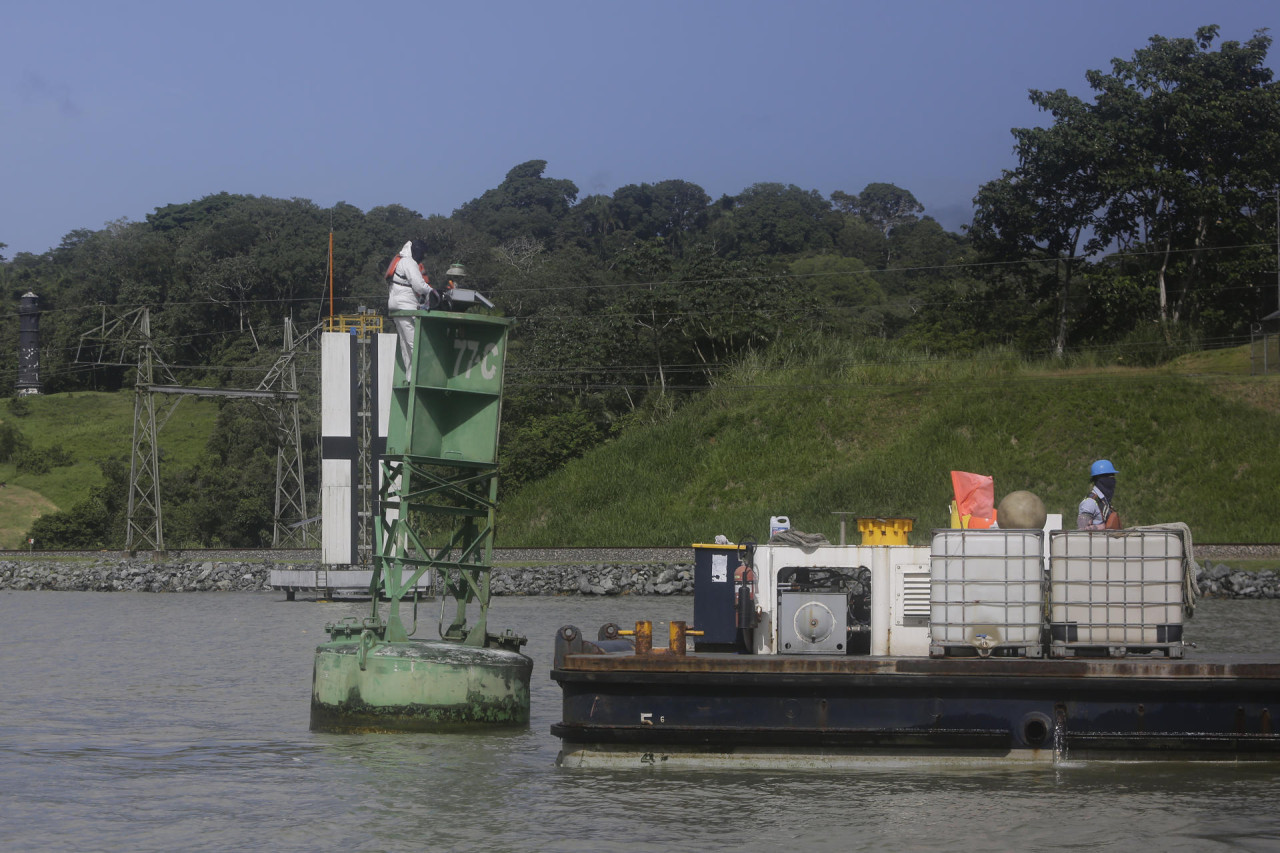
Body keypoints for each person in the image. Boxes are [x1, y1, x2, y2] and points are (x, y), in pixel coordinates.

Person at [387, 240, 437, 371]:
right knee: (416, 341)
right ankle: (420, 373)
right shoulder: (409, 262)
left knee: (405, 343)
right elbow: (419, 285)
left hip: (395, 304)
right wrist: (433, 292)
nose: (423, 257)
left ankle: (410, 376)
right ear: (417, 251)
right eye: (422, 254)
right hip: (406, 305)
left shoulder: (401, 260)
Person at [1077, 459, 1121, 530]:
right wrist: (1103, 527)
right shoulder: (1089, 502)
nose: (1113, 480)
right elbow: (1082, 529)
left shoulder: (1103, 500)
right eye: (1110, 476)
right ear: (1100, 479)